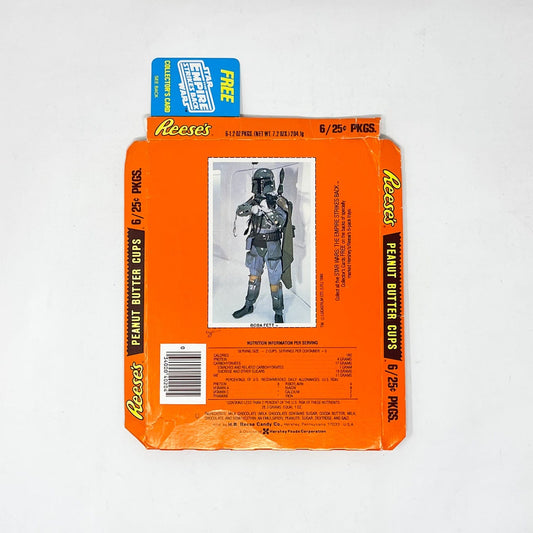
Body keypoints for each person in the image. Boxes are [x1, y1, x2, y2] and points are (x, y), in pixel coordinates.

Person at [233, 167, 293, 323]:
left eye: (261, 183)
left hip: (272, 246)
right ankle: (248, 305)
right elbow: (239, 210)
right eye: (256, 183)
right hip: (256, 244)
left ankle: (278, 311)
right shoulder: (254, 200)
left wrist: (267, 210)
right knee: (253, 278)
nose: (258, 186)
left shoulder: (278, 201)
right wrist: (252, 208)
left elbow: (281, 222)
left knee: (275, 281)